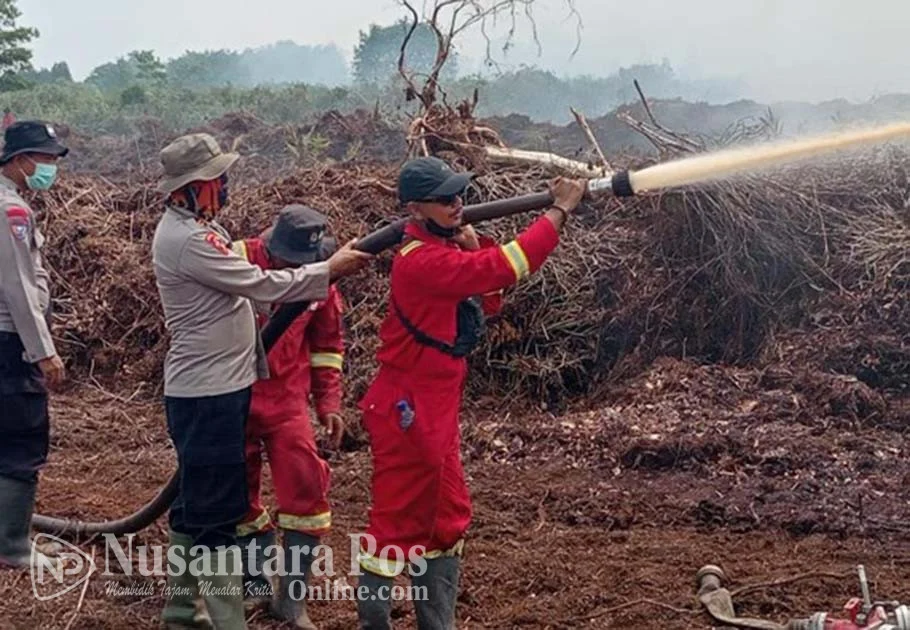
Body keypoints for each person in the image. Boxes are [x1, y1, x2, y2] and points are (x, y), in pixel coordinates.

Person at [355, 157, 586, 629]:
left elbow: (484, 303)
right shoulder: (421, 261)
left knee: (447, 519)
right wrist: (559, 210)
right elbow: (505, 267)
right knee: (394, 527)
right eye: (444, 199)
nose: (456, 203)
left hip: (435, 406)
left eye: (458, 194)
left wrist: (473, 244)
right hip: (407, 409)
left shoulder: (442, 248)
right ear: (415, 209)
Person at [151, 133, 371, 630]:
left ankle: (186, 611)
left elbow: (327, 342)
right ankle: (226, 619)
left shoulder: (204, 229)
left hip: (235, 390)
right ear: (191, 188)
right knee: (216, 513)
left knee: (200, 504)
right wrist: (327, 270)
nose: (225, 186)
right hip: (212, 391)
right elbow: (260, 284)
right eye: (218, 179)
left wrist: (328, 401)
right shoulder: (196, 242)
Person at [231, 205, 347, 630]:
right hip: (234, 397)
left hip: (286, 402)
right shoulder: (236, 258)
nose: (292, 268)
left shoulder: (321, 276)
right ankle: (254, 585)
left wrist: (328, 403)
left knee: (306, 491)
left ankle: (291, 601)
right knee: (236, 495)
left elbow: (327, 344)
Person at [0, 121, 68, 570]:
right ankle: (13, 548)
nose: (49, 167)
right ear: (20, 160)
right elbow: (19, 289)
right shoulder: (12, 211)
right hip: (9, 343)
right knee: (22, 440)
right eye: (44, 159)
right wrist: (43, 351)